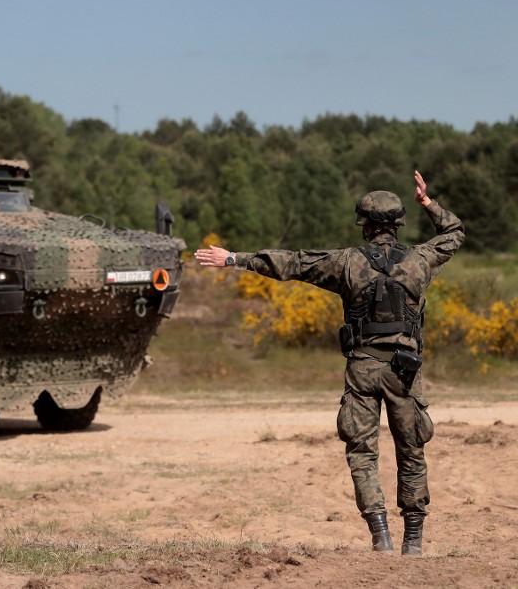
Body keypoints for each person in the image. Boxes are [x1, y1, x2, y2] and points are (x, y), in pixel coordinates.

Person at [194, 171, 465, 556]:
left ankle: (380, 535)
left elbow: (292, 263)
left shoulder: (346, 262)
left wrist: (235, 259)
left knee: (361, 451)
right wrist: (430, 204)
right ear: (397, 225)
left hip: (362, 369)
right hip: (406, 370)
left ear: (366, 226)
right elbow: (455, 233)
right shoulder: (421, 260)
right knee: (412, 451)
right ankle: (414, 540)